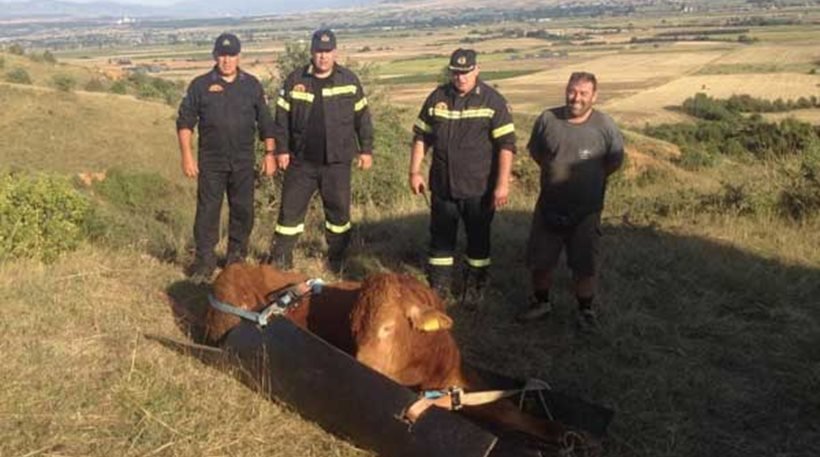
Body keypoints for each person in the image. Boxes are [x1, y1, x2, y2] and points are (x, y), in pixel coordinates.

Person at [517, 71, 624, 332]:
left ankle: (585, 310)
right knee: (541, 261)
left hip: (586, 211)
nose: (576, 98)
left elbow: (614, 161)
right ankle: (541, 303)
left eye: (583, 93)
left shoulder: (604, 125)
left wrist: (588, 182)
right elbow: (538, 153)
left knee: (584, 265)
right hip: (549, 206)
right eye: (572, 91)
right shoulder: (547, 119)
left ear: (594, 96)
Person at [409, 48, 516, 306]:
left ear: (476, 70)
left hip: (479, 188)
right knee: (440, 241)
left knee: (478, 241)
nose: (460, 78)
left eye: (465, 72)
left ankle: (474, 287)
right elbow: (422, 136)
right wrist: (414, 171)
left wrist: (502, 184)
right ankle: (439, 289)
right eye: (456, 72)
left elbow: (506, 145)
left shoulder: (492, 101)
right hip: (443, 187)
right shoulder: (437, 97)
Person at [267, 28, 374, 273]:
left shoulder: (349, 81)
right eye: (318, 51)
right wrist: (281, 150)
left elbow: (363, 118)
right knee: (290, 212)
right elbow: (281, 119)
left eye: (327, 52)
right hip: (301, 161)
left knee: (338, 213)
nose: (323, 57)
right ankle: (281, 259)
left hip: (337, 162)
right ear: (311, 53)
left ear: (335, 52)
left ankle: (337, 259)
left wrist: (366, 149)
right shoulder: (295, 80)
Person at [177, 32, 276, 283]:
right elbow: (185, 122)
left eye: (231, 55)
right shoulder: (199, 85)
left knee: (243, 211)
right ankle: (205, 262)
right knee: (208, 211)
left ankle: (235, 259)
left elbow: (265, 122)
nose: (227, 60)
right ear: (214, 56)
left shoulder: (252, 85)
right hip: (211, 161)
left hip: (243, 161)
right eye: (222, 55)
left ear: (239, 56)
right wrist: (187, 156)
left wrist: (270, 153)